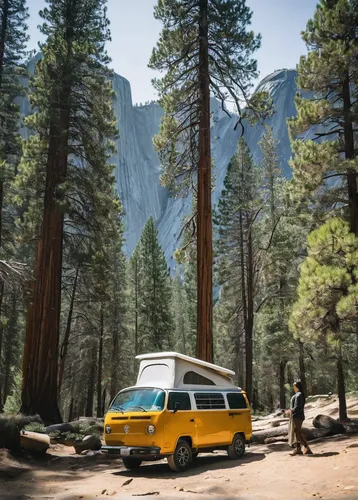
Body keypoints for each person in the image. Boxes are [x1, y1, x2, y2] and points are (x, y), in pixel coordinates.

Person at [287, 380, 312, 456]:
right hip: (294, 416)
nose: (294, 387)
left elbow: (298, 407)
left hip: (298, 416)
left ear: (298, 386)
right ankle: (298, 449)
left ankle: (307, 447)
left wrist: (291, 411)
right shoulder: (297, 395)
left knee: (297, 432)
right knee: (295, 433)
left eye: (295, 386)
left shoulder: (299, 395)